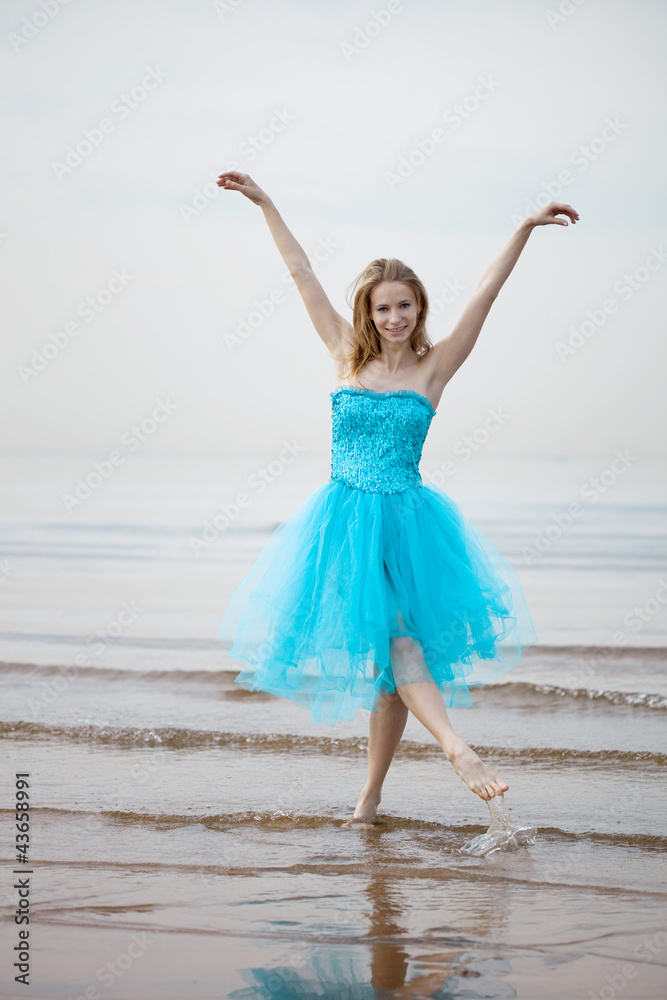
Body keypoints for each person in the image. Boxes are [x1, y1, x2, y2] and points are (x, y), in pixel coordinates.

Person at [216, 170, 579, 820]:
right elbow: (301, 273)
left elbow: (486, 293)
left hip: (410, 527)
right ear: (367, 312)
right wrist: (265, 202)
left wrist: (524, 227)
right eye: (381, 307)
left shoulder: (434, 367)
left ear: (418, 309)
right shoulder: (343, 356)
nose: (392, 317)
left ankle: (378, 794)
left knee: (394, 665)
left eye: (403, 306)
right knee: (399, 650)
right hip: (343, 524)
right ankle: (438, 757)